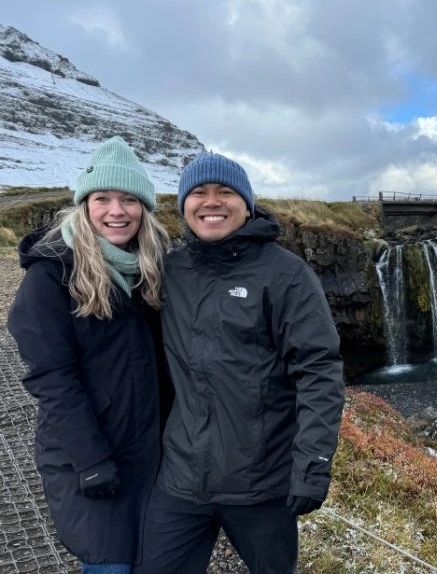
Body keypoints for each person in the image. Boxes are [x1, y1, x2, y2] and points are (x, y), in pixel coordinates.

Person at [137, 153, 345, 573]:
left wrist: (313, 464)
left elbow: (319, 372)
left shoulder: (287, 275)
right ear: (182, 206)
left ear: (247, 204)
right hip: (181, 477)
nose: (211, 202)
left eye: (225, 192)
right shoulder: (168, 271)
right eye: (198, 192)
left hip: (262, 484)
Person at [8, 137, 170, 573]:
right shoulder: (51, 275)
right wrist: (91, 461)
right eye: (103, 198)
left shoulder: (155, 267)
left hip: (153, 451)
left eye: (129, 199)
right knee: (110, 563)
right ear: (85, 204)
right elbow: (51, 379)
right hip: (88, 456)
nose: (117, 211)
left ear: (145, 208)